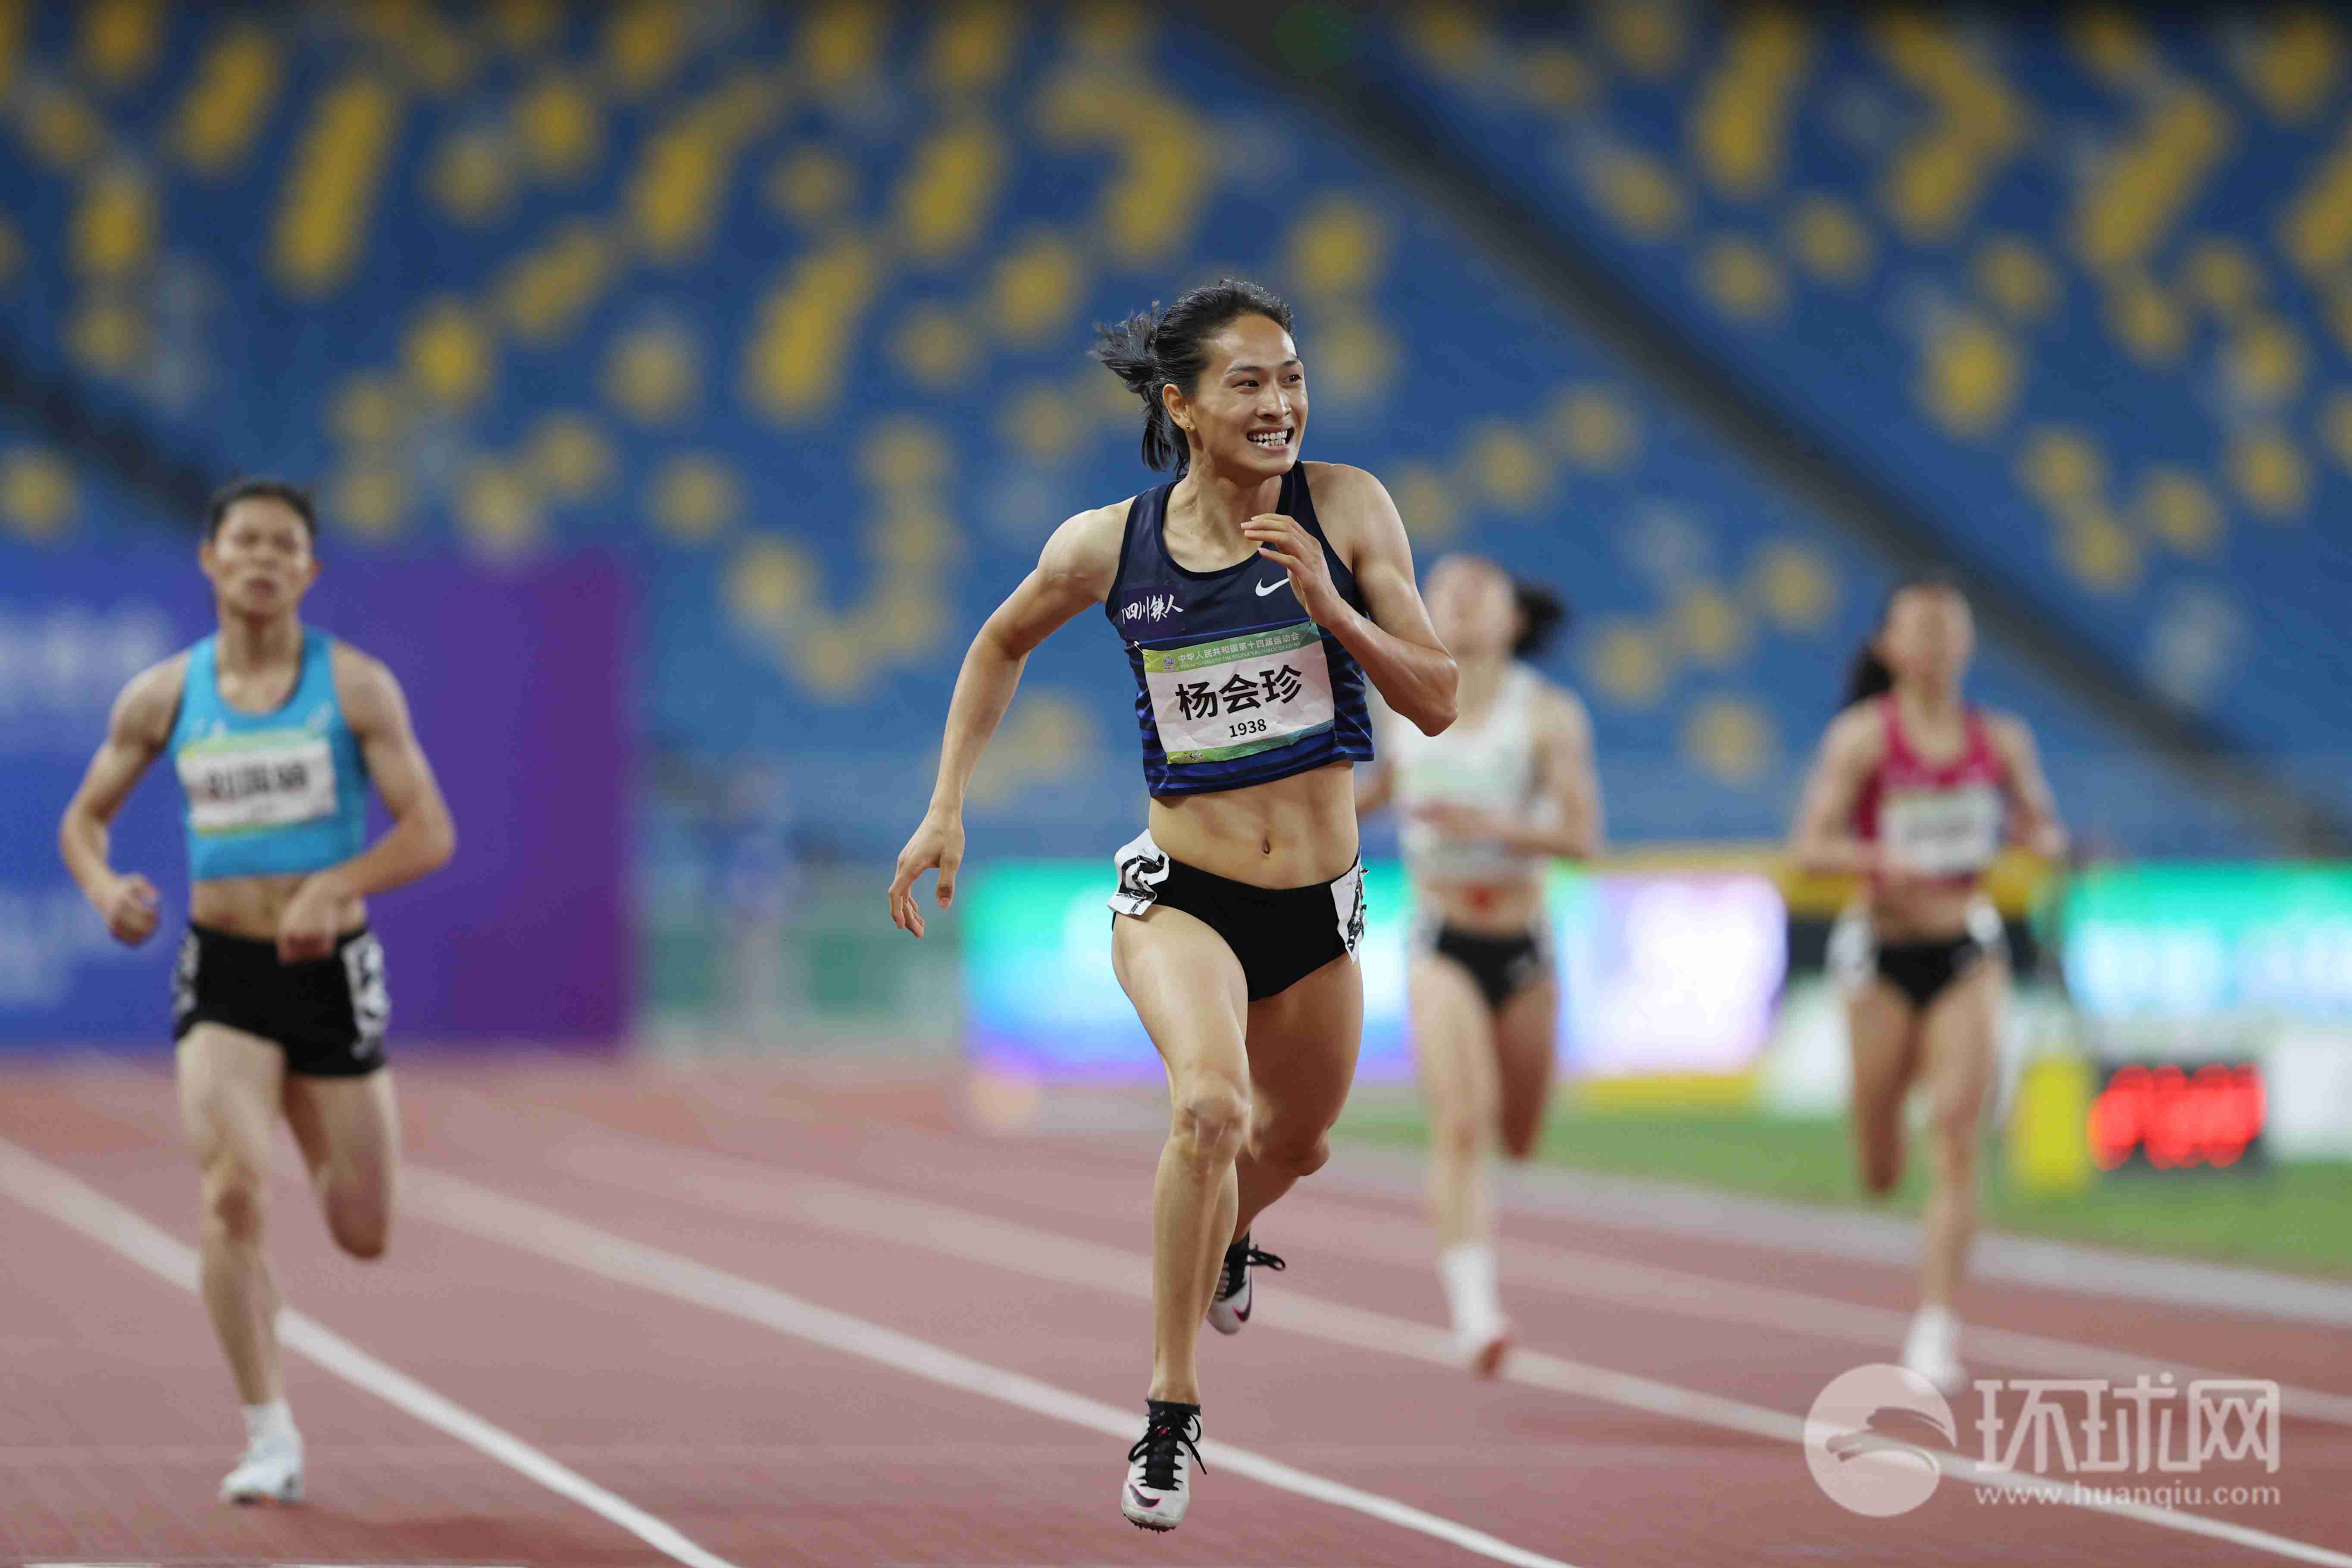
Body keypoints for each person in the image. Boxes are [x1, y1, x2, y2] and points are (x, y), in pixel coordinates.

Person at [886, 280, 1455, 1531]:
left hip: (1319, 907)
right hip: (1180, 894)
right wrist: (946, 805)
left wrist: (1333, 607)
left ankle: (1232, 1237)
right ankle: (1171, 1409)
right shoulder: (1108, 545)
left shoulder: (1348, 509)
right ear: (1183, 406)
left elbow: (1440, 697)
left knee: (1293, 1144)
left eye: (1293, 376)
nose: (1281, 402)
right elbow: (997, 644)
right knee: (1209, 1104)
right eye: (1249, 382)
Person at [57, 478, 456, 1503]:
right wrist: (104, 885)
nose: (263, 559)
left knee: (363, 1230)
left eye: (285, 545)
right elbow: (84, 820)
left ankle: (304, 1126)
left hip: (330, 975)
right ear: (211, 558)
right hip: (226, 974)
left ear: (310, 570)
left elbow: (429, 831)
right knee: (231, 1193)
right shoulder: (162, 695)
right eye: (246, 541)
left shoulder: (357, 688)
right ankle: (268, 1432)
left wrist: (337, 882)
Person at [1788, 578, 2064, 1392]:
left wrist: (2035, 834)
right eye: (1922, 630)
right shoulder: (1863, 741)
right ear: (1890, 648)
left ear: (1968, 645)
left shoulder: (2001, 740)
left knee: (1954, 1133)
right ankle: (1877, 1139)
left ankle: (1936, 1328)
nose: (1939, 644)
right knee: (1880, 1163)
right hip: (1879, 957)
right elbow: (1810, 846)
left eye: (1952, 629)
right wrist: (1878, 861)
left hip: (1963, 954)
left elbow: (2043, 824)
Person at [1356, 555, 1599, 1375]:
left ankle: (1476, 1288)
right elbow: (1366, 794)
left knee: (1520, 1136)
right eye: (1443, 586)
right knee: (1462, 1121)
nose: (1459, 598)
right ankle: (1475, 1309)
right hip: (1441, 935)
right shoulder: (1399, 702)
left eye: (1480, 588)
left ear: (1513, 618)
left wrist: (1490, 825)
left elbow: (1583, 840)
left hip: (1524, 943)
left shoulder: (1547, 715)